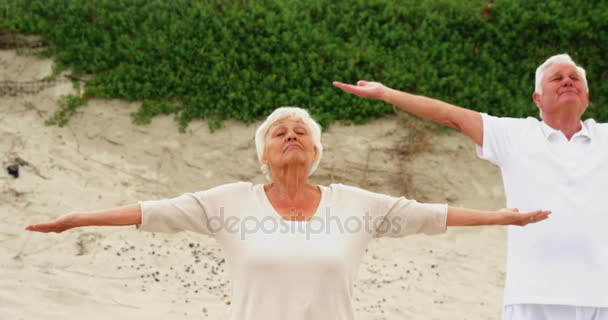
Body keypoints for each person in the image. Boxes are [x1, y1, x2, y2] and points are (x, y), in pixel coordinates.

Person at [26, 107, 550, 320]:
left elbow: (430, 215)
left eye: (303, 131)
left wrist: (500, 217)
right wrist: (77, 218)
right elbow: (149, 211)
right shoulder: (228, 202)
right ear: (263, 153)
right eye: (280, 131)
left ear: (317, 152)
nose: (293, 135)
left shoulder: (355, 205)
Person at [333, 53, 608, 320]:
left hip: (601, 295)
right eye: (557, 78)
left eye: (574, 77)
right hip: (533, 294)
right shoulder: (515, 135)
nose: (568, 81)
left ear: (586, 96)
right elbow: (448, 114)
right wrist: (386, 93)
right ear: (537, 98)